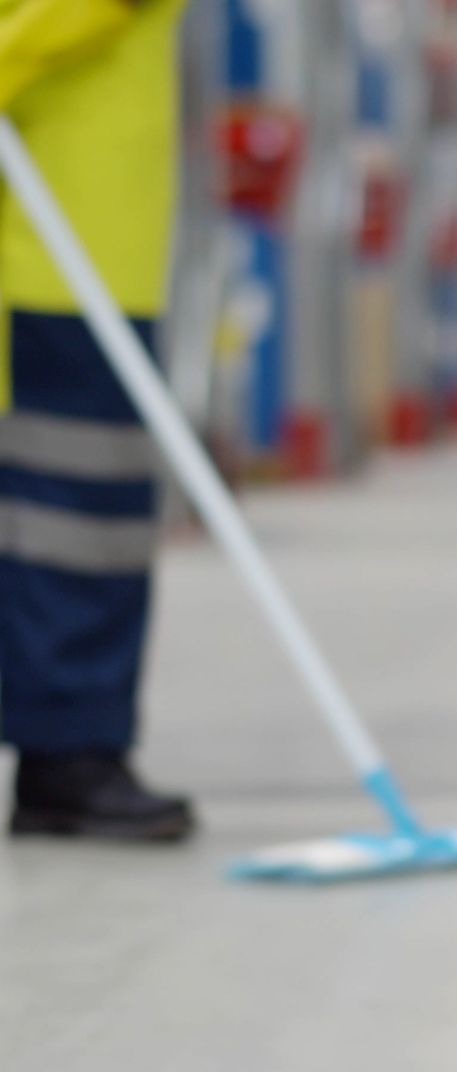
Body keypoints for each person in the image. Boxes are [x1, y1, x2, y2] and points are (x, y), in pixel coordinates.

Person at [0, 0, 193, 841]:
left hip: (75, 230)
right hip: (58, 232)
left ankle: (71, 749)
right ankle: (70, 751)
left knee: (79, 508)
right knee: (72, 503)